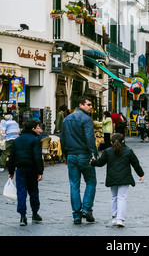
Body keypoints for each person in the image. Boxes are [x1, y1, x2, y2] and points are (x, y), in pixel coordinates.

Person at [91, 133, 144, 227]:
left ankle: (114, 217)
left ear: (111, 142)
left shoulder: (107, 151)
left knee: (114, 197)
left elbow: (100, 163)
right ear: (123, 141)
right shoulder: (128, 151)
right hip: (125, 177)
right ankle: (120, 219)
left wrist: (93, 162)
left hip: (112, 177)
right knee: (122, 198)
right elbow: (136, 164)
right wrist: (141, 174)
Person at [61, 96, 98, 224]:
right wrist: (94, 154)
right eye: (89, 104)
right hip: (84, 154)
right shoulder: (86, 119)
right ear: (81, 105)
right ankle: (87, 209)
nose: (91, 107)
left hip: (71, 155)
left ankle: (76, 215)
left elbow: (63, 138)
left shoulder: (66, 119)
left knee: (74, 185)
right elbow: (90, 139)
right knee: (91, 181)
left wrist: (65, 155)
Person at [8, 120, 43, 226]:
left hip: (20, 169)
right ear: (32, 129)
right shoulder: (35, 139)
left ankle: (23, 216)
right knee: (33, 191)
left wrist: (11, 171)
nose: (38, 129)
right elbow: (37, 157)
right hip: (31, 169)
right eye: (36, 127)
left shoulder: (17, 140)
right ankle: (35, 213)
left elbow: (12, 156)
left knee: (21, 192)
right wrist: (40, 171)